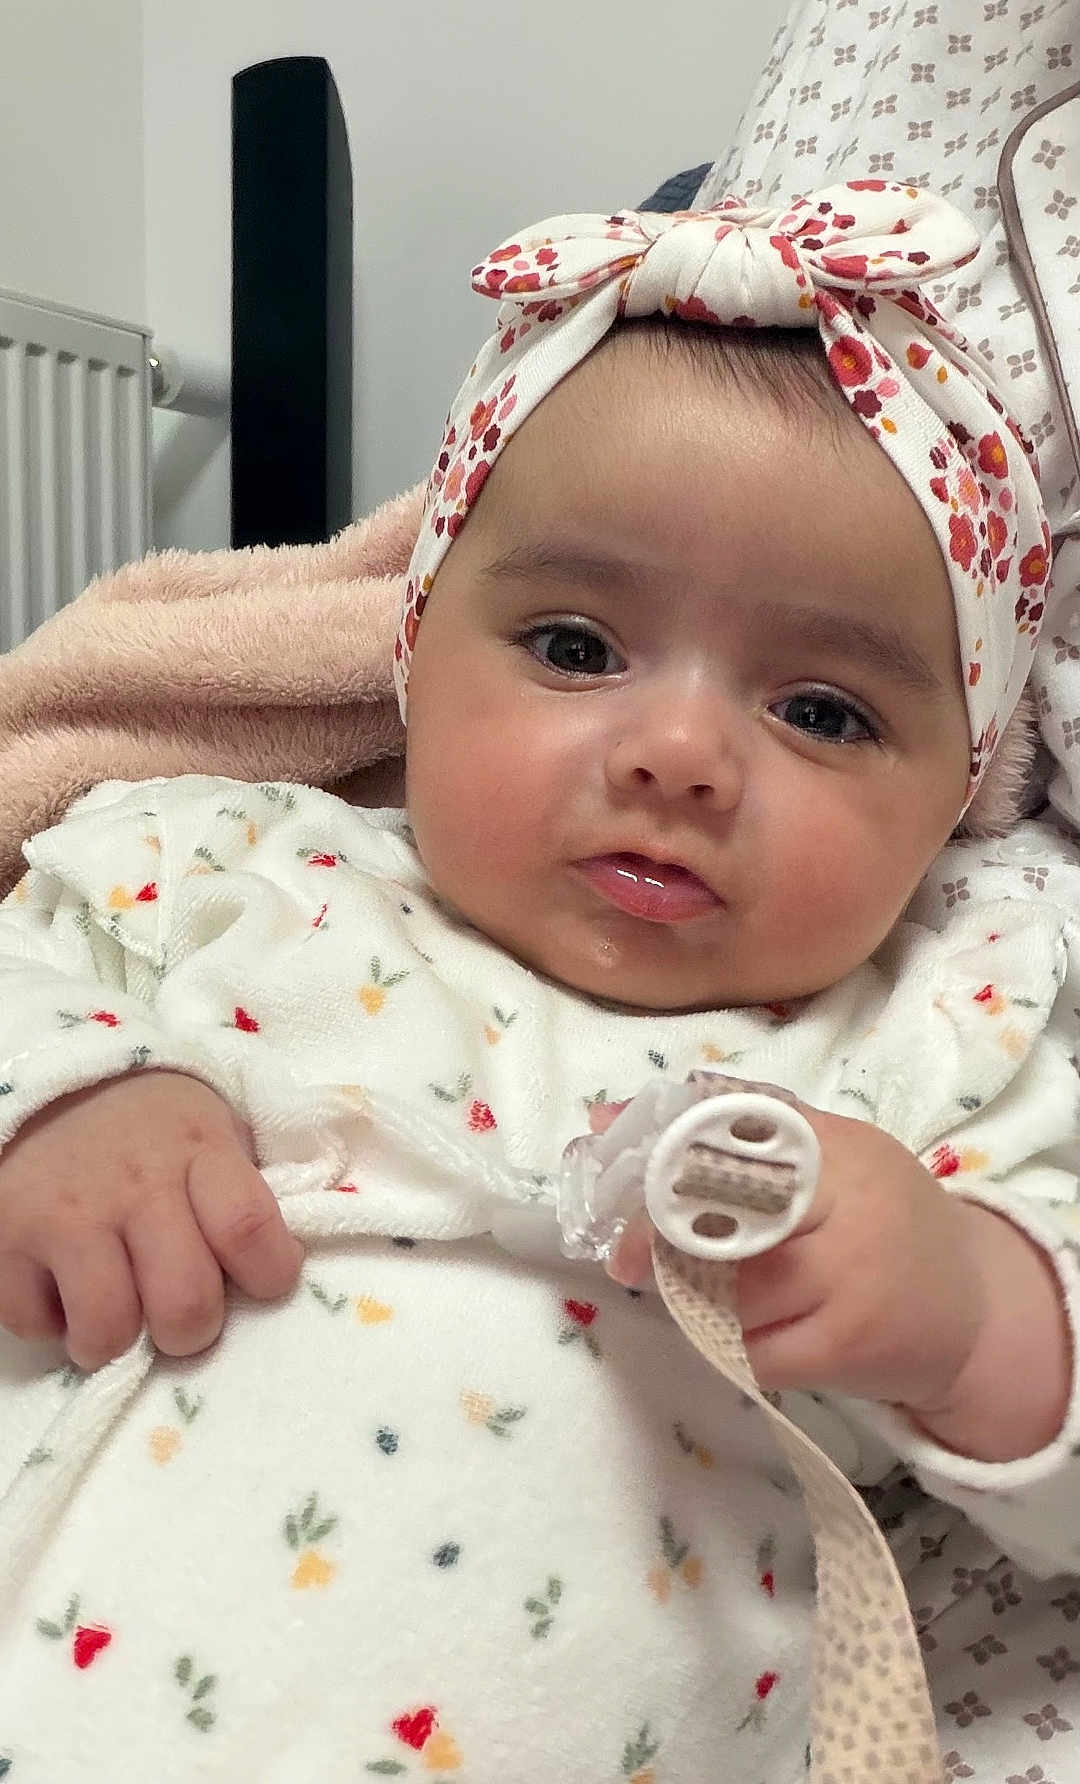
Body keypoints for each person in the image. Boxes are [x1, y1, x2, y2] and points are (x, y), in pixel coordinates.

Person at [0, 184, 1076, 1783]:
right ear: (415, 662)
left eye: (827, 713)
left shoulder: (946, 1026)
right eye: (577, 647)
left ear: (954, 799)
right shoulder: (227, 864)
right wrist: (71, 1099)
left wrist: (971, 1310)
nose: (679, 757)